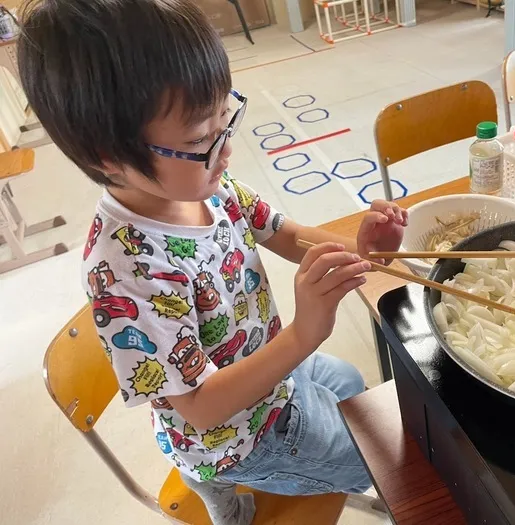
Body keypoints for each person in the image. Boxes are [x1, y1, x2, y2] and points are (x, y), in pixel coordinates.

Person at [17, 1, 408, 523]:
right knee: (385, 456)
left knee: (356, 389)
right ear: (107, 157)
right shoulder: (126, 273)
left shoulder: (207, 184)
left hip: (264, 363)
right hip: (233, 432)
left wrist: (358, 248)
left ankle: (207, 477)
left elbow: (286, 234)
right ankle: (213, 474)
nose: (225, 151)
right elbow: (200, 406)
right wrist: (305, 333)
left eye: (227, 118)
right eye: (201, 139)